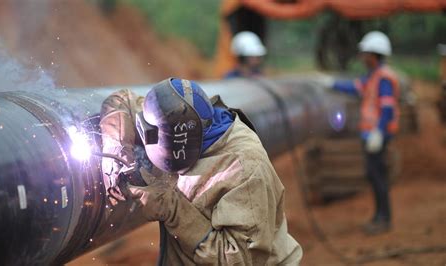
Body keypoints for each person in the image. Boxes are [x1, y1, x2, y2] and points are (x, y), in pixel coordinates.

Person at [99, 78, 302, 265]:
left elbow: (239, 259)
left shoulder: (244, 171)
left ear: (182, 144)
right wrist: (117, 146)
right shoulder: (167, 116)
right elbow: (120, 100)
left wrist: (172, 208)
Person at [330, 31, 400, 235]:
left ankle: (383, 219)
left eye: (365, 53)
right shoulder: (373, 77)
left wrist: (378, 132)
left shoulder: (384, 78)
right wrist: (331, 83)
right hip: (371, 136)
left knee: (377, 176)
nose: (362, 56)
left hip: (378, 136)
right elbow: (355, 88)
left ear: (374, 55)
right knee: (374, 175)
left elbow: (387, 109)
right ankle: (380, 216)